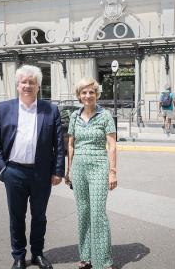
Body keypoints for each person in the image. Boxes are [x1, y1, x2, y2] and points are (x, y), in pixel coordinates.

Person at [0, 65, 64, 269]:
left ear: (38, 86)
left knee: (39, 216)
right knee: (16, 217)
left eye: (32, 82)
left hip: (41, 173)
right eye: (24, 82)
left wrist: (58, 171)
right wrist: (2, 170)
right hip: (13, 171)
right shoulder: (3, 109)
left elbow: (59, 144)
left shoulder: (51, 110)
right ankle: (19, 256)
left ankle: (38, 253)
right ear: (17, 85)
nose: (27, 85)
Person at [65, 77, 117, 269]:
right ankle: (86, 257)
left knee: (97, 214)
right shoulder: (74, 117)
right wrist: (68, 170)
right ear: (79, 96)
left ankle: (103, 261)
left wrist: (112, 172)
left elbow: (112, 145)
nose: (87, 95)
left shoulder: (105, 116)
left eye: (91, 92)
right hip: (78, 168)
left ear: (96, 94)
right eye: (84, 92)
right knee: (83, 212)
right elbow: (71, 145)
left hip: (98, 166)